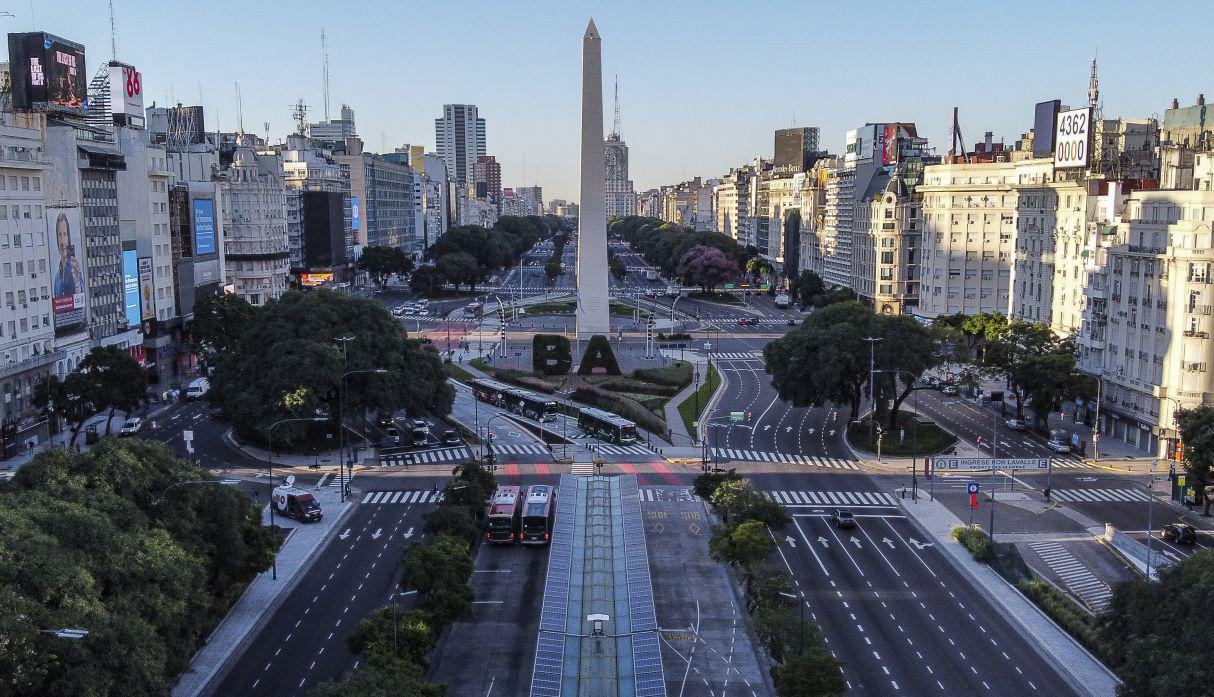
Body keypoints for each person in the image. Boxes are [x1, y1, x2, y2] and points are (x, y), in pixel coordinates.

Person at [52, 213, 84, 297]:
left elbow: (81, 295)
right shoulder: (56, 278)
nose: (62, 241)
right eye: (60, 235)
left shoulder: (75, 269)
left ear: (68, 238)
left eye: (65, 234)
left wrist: (76, 283)